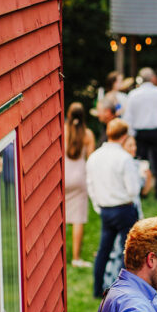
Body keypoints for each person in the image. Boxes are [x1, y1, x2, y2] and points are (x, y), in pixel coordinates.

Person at [86, 119, 141, 298]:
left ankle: (96, 289)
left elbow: (90, 184)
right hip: (124, 208)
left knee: (104, 250)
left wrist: (98, 205)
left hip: (105, 209)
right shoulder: (124, 158)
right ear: (124, 136)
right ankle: (124, 290)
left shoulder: (94, 156)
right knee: (128, 250)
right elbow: (133, 189)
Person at [102, 133, 152, 291]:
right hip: (124, 208)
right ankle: (116, 282)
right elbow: (132, 191)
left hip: (135, 208)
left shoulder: (139, 164)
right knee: (121, 249)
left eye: (134, 145)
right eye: (130, 145)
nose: (134, 148)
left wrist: (148, 179)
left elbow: (144, 192)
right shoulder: (123, 162)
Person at [124, 67, 157, 200]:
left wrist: (131, 134)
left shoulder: (133, 94)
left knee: (140, 163)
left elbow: (128, 117)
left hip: (141, 132)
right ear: (152, 78)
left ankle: (141, 192)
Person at [64, 102, 95, 267]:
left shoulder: (62, 130)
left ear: (69, 115)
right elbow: (90, 159)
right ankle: (76, 258)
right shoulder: (88, 134)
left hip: (63, 176)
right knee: (77, 219)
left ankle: (59, 255)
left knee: (60, 217)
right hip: (79, 178)